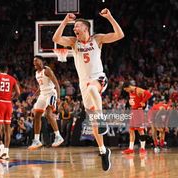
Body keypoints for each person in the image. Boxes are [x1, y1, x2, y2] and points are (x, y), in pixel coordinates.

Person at [52, 8, 124, 171]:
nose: (74, 28)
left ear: (85, 28)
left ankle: (102, 119)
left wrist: (110, 17)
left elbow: (119, 34)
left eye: (77, 26)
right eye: (74, 26)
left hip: (98, 78)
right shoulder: (73, 42)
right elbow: (55, 38)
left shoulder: (97, 39)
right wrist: (65, 21)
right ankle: (103, 151)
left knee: (93, 89)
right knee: (93, 122)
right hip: (83, 84)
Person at [28, 55, 64, 150]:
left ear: (41, 61)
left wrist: (58, 97)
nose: (34, 62)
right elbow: (41, 86)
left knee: (48, 114)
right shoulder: (36, 73)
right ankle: (36, 140)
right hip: (42, 95)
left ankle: (58, 136)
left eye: (36, 60)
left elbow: (56, 83)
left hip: (51, 93)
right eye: (33, 61)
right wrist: (34, 95)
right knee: (36, 116)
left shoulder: (47, 70)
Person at [0, 63, 20, 159]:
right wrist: (11, 98)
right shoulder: (12, 79)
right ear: (7, 70)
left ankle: (1, 146)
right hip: (8, 104)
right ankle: (6, 152)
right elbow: (18, 92)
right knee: (7, 129)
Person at [122, 82, 152, 154]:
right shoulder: (131, 92)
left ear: (129, 87)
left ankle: (142, 148)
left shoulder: (137, 90)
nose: (126, 91)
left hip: (138, 111)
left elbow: (148, 94)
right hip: (133, 111)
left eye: (126, 90)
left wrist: (143, 101)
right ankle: (130, 148)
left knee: (140, 130)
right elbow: (134, 100)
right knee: (131, 130)